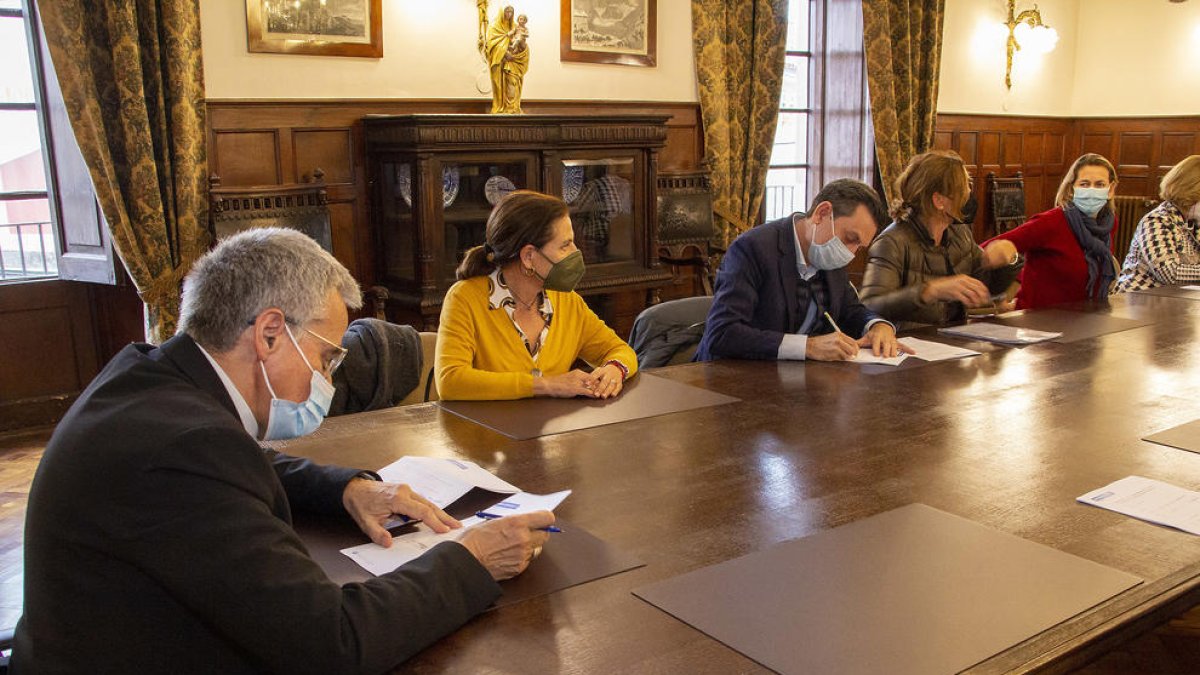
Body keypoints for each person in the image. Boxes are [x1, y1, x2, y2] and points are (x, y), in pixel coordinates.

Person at [13, 228, 553, 673]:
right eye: (325, 359)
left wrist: (347, 488)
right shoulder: (184, 448)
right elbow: (332, 644)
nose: (327, 378)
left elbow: (241, 464)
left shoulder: (150, 376)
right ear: (270, 333)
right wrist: (471, 558)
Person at [436, 190, 637, 400]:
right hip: (484, 431)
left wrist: (615, 370)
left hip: (552, 431)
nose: (576, 252)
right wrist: (545, 385)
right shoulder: (464, 298)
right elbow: (450, 381)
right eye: (565, 245)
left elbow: (620, 350)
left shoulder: (566, 300)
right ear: (529, 257)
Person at [694, 178, 907, 362]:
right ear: (821, 214)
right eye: (850, 239)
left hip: (799, 383)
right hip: (732, 381)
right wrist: (808, 347)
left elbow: (850, 310)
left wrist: (877, 326)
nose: (850, 253)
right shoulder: (753, 248)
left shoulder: (830, 256)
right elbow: (722, 333)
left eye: (858, 247)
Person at [860, 150, 1021, 329]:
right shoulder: (892, 242)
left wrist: (1008, 258)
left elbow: (988, 289)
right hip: (908, 345)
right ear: (939, 200)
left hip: (955, 340)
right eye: (964, 187)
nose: (968, 193)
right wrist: (929, 290)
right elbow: (870, 305)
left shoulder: (960, 233)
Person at [980, 154, 1121, 308]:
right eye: (1085, 184)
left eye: (1100, 185)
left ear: (1111, 189)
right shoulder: (1051, 222)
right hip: (1039, 321)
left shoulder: (1108, 224)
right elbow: (987, 248)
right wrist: (1004, 252)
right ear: (1072, 188)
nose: (1091, 190)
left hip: (1085, 319)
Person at [1116, 154, 1200, 291]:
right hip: (1138, 301)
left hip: (1173, 302)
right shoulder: (1158, 220)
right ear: (1191, 191)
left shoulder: (1193, 223)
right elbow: (1169, 273)